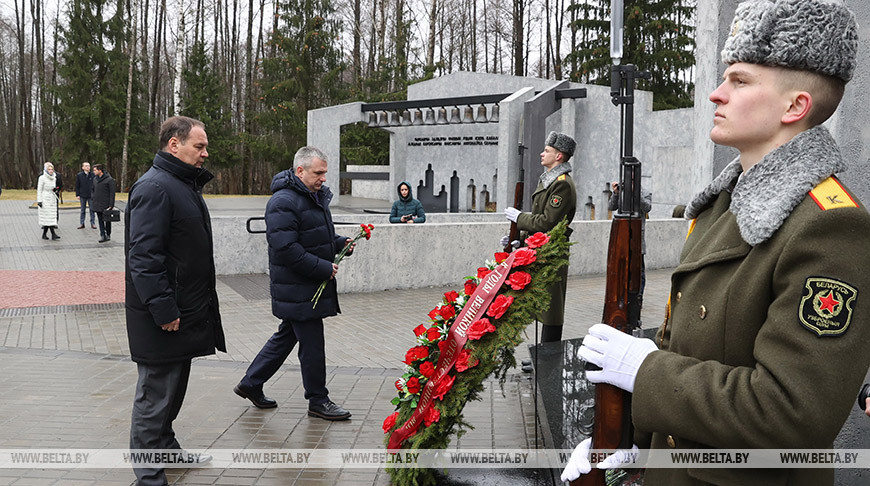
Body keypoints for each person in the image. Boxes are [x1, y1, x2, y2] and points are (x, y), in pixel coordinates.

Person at [562, 1, 870, 485]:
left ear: (795, 106)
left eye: (740, 81)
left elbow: (792, 414)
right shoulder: (718, 207)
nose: (716, 94)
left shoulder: (829, 226)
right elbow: (687, 351)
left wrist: (646, 373)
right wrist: (628, 441)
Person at [125, 116, 225, 486]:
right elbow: (144, 257)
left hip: (184, 313)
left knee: (173, 391)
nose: (205, 153)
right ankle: (149, 476)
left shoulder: (181, 184)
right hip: (163, 317)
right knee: (155, 397)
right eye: (198, 146)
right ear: (174, 145)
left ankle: (166, 448)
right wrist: (164, 309)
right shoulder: (155, 187)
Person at [234, 146, 352, 421]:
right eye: (318, 173)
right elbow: (286, 248)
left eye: (325, 172)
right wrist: (322, 268)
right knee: (312, 344)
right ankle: (318, 400)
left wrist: (340, 243)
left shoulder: (313, 196)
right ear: (300, 171)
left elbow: (316, 236)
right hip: (297, 286)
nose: (323, 178)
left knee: (286, 336)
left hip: (304, 286)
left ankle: (251, 383)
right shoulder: (283, 202)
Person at [502, 131, 577, 346]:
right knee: (542, 304)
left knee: (552, 308)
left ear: (559, 156)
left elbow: (547, 222)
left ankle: (549, 355)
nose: (542, 154)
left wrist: (520, 218)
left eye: (547, 151)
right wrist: (519, 240)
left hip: (553, 251)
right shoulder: (550, 180)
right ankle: (541, 354)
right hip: (542, 249)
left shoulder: (561, 184)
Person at [608, 181, 652, 308]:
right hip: (622, 236)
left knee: (639, 272)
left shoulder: (645, 192)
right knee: (621, 269)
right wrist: (616, 193)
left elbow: (647, 207)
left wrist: (635, 193)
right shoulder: (622, 191)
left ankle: (638, 299)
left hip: (637, 239)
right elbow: (611, 207)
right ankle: (622, 298)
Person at [92, 164, 116, 243]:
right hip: (97, 203)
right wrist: (93, 198)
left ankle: (108, 234)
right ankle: (102, 234)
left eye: (95, 170)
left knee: (107, 220)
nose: (94, 172)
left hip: (106, 203)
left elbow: (112, 193)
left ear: (100, 170)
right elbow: (93, 190)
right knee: (100, 219)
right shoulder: (95, 179)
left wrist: (111, 204)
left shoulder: (109, 180)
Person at [36, 162, 60, 240]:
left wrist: (55, 190)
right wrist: (39, 200)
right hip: (45, 198)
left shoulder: (54, 177)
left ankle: (44, 234)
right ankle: (53, 234)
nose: (51, 171)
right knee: (47, 216)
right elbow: (39, 190)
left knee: (50, 217)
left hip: (52, 199)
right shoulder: (42, 178)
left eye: (52, 169)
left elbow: (53, 187)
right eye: (49, 169)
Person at [75, 162, 97, 229]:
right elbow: (77, 185)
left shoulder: (93, 175)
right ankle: (82, 223)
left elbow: (95, 185)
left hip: (91, 195)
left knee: (92, 210)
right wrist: (77, 194)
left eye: (88, 166)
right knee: (82, 210)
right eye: (86, 166)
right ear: (83, 167)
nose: (88, 167)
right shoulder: (79, 175)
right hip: (82, 195)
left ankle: (93, 223)